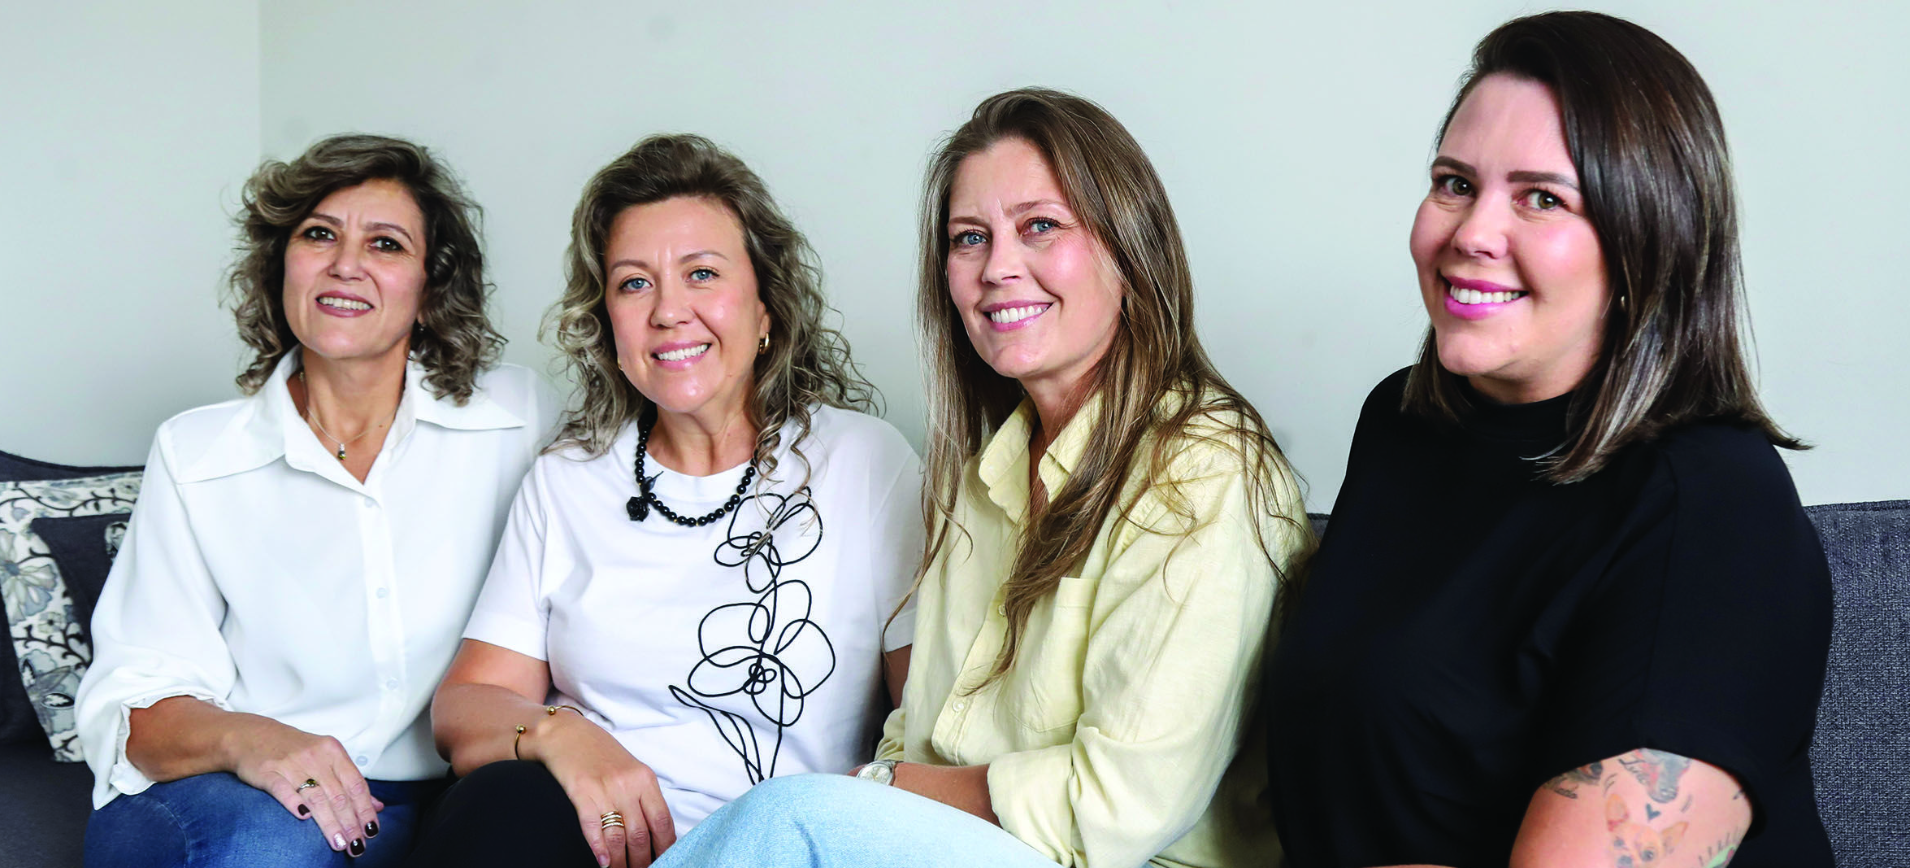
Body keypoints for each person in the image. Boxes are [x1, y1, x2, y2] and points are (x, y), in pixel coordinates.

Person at [652, 88, 1312, 868]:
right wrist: (886, 789)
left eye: (1040, 226)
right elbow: (917, 734)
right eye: (970, 238)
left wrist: (882, 790)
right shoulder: (978, 479)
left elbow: (1114, 810)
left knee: (791, 816)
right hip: (962, 849)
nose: (998, 268)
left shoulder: (1203, 472)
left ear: (1130, 251)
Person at [1263, 11, 1833, 868]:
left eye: (1543, 198)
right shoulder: (1405, 421)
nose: (1470, 233)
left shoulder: (1714, 508)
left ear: (1648, 240)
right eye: (1455, 182)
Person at [409, 134, 922, 868]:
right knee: (494, 806)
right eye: (634, 284)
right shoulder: (568, 478)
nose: (668, 311)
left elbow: (925, 724)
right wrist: (560, 735)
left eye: (701, 273)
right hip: (589, 842)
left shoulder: (867, 464)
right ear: (609, 324)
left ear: (766, 307)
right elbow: (466, 705)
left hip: (773, 849)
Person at [74, 134, 562, 868]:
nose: (345, 264)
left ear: (431, 288)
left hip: (457, 790)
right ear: (282, 266)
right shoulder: (197, 453)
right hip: (249, 793)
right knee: (267, 846)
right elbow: (134, 702)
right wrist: (255, 740)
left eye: (386, 244)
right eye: (319, 235)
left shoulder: (518, 416)